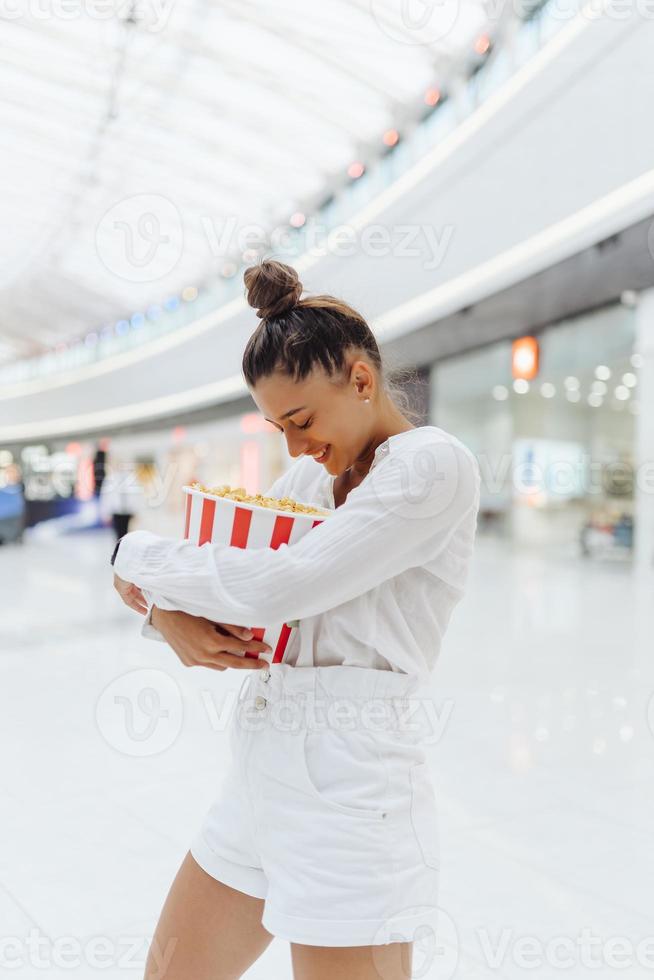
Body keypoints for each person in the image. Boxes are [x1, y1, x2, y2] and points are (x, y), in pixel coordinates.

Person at [112, 260, 481, 980]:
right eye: (278, 427)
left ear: (362, 380)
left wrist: (131, 551)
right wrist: (162, 611)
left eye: (303, 420)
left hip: (351, 790)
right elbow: (227, 569)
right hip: (259, 768)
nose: (294, 447)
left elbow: (280, 585)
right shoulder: (314, 477)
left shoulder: (432, 466)